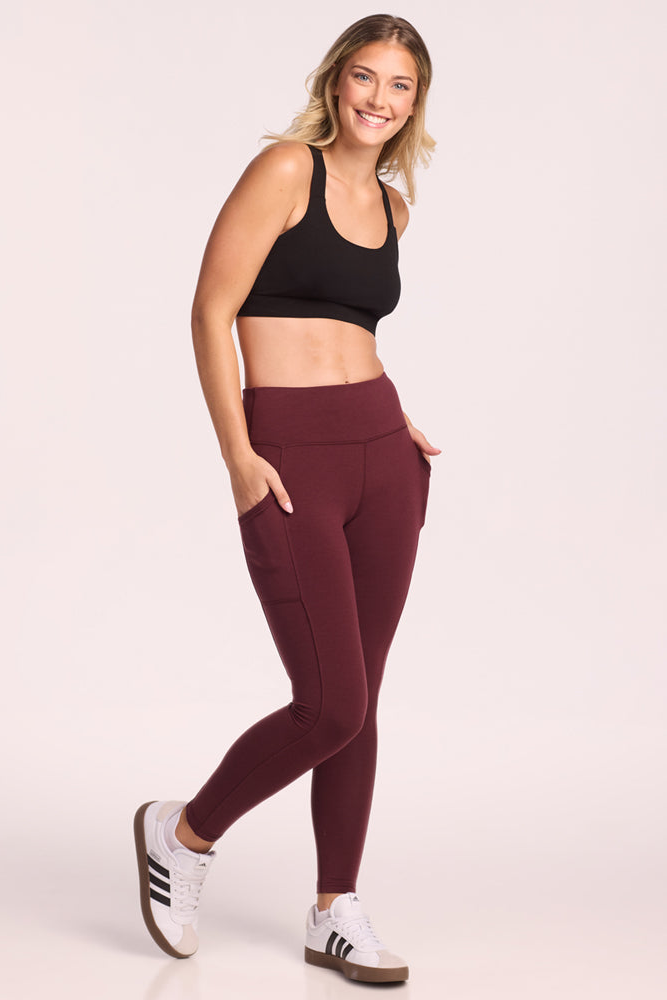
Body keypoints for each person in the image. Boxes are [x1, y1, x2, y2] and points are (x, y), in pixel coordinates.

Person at [134, 13, 440, 985]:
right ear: (335, 80)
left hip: (383, 452)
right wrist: (237, 453)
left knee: (363, 700)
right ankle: (183, 834)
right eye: (364, 77)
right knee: (330, 701)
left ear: (413, 103)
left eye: (397, 86)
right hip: (287, 454)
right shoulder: (284, 170)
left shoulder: (394, 207)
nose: (377, 100)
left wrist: (396, 426)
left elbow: (351, 333)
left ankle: (332, 907)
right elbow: (209, 308)